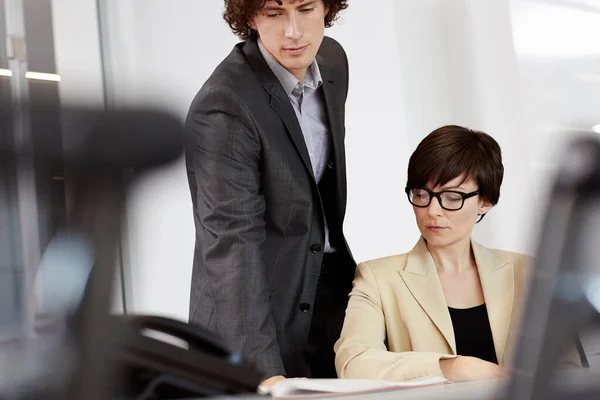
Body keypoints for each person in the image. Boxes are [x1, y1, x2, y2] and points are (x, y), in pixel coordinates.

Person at [184, 0, 356, 386]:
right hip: (252, 316)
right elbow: (231, 241)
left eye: (306, 9)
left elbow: (316, 192)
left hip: (325, 297)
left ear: (327, 8)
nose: (293, 31)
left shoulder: (332, 61)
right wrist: (262, 372)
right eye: (275, 13)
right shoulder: (224, 104)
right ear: (250, 17)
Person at [334, 125, 580, 382]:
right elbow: (353, 362)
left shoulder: (528, 272)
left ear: (485, 202)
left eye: (451, 197)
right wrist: (454, 367)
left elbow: (569, 369)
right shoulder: (377, 277)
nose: (433, 210)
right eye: (422, 194)